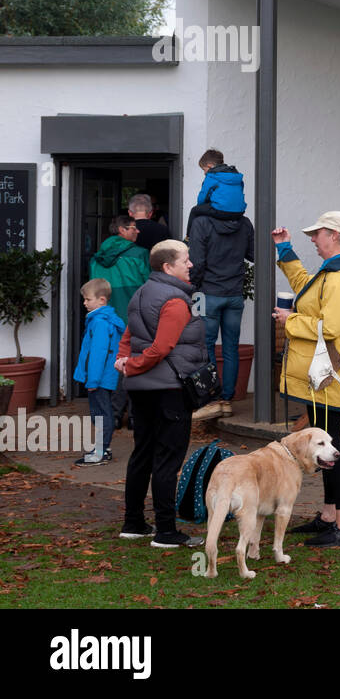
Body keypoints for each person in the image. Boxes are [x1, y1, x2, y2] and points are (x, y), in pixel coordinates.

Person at [273, 212, 340, 547]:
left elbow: (330, 327)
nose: (313, 239)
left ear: (334, 236)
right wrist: (285, 250)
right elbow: (304, 285)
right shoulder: (332, 273)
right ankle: (330, 517)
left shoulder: (339, 279)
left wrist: (291, 320)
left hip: (328, 377)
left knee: (333, 449)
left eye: (317, 234)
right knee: (328, 448)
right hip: (323, 376)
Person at [114, 240, 207, 547]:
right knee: (167, 459)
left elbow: (129, 337)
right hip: (169, 390)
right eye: (185, 260)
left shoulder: (140, 294)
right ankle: (166, 531)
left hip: (141, 392)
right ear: (168, 267)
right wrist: (135, 364)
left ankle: (134, 523)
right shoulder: (177, 302)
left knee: (142, 453)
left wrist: (124, 362)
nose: (190, 265)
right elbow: (161, 348)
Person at [188, 182, 255, 422]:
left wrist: (192, 287)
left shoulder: (201, 222)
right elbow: (253, 255)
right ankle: (227, 399)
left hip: (207, 293)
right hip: (234, 294)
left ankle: (210, 399)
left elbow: (195, 261)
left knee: (203, 346)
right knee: (231, 347)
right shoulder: (244, 223)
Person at [89, 215, 150, 428]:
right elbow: (148, 287)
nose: (138, 231)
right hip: (134, 317)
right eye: (134, 228)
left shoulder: (96, 258)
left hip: (106, 319)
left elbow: (93, 290)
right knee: (134, 365)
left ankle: (113, 415)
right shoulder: (140, 254)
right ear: (122, 230)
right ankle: (135, 416)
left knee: (111, 366)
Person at [73, 279, 124, 466]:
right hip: (102, 377)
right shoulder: (101, 319)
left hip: (100, 378)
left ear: (102, 300)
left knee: (102, 415)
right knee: (101, 413)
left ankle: (101, 453)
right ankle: (103, 449)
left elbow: (98, 354)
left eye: (87, 299)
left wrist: (92, 381)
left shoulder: (100, 323)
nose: (84, 303)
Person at [186, 149, 247, 236]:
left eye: (204, 169)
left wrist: (201, 207)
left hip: (221, 210)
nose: (204, 173)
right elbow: (240, 190)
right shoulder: (236, 175)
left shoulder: (211, 176)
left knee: (195, 210)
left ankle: (188, 238)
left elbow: (203, 197)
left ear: (210, 166)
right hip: (239, 212)